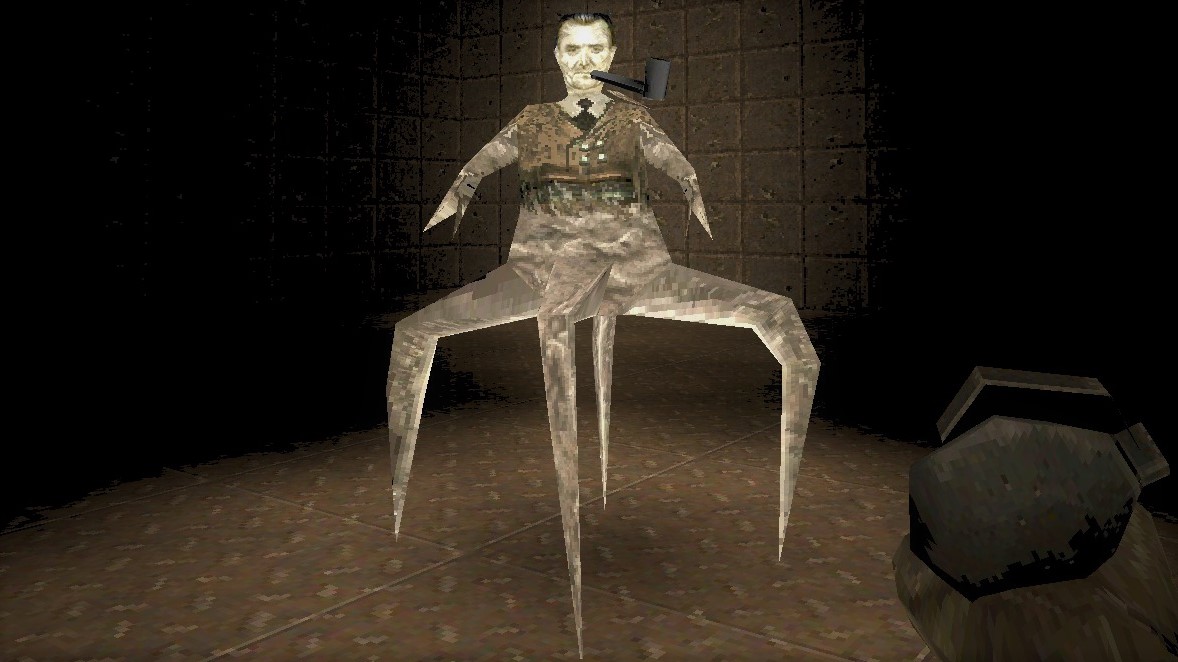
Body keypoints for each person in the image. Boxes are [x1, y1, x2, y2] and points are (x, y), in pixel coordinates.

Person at [386, 12, 820, 659]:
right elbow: (479, 166)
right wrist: (459, 193)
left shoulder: (633, 118)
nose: (583, 59)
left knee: (779, 317)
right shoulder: (531, 120)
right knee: (415, 334)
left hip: (636, 269)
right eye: (572, 48)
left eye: (595, 49)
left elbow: (679, 166)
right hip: (536, 273)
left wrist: (692, 191)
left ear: (612, 55)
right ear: (556, 54)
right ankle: (399, 505)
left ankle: (784, 526)